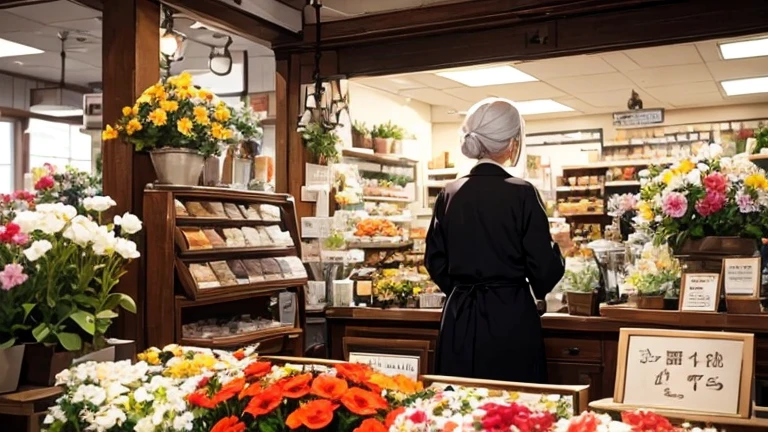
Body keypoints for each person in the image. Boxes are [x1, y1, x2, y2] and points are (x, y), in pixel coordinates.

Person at [425, 98, 565, 383]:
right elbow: (544, 271)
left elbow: (434, 260)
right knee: (513, 408)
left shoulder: (449, 193)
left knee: (458, 406)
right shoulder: (522, 193)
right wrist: (559, 250)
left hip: (459, 314)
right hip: (510, 315)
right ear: (513, 142)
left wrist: (463, 288)